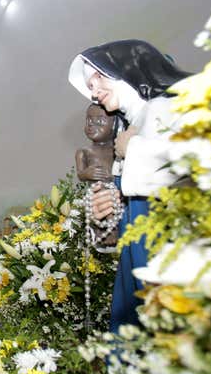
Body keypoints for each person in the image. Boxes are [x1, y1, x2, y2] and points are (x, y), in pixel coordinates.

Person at [68, 39, 192, 332]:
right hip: (133, 247)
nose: (93, 91)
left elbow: (186, 166)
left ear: (124, 68)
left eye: (97, 78)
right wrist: (107, 209)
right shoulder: (126, 125)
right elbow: (127, 195)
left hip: (164, 245)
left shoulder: (165, 107)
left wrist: (132, 148)